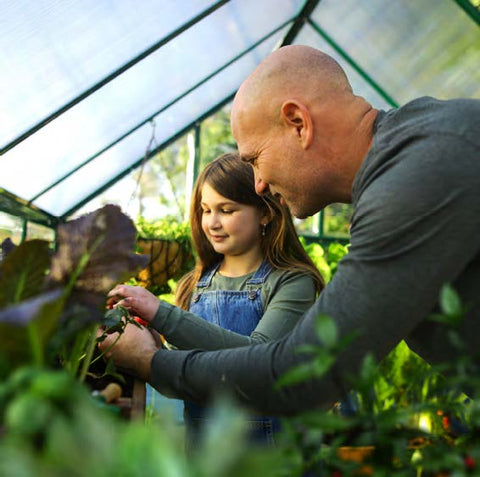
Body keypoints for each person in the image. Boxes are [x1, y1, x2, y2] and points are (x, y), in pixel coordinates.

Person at [99, 45, 480, 417]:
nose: (259, 183)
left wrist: (151, 362)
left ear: (298, 123)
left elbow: (304, 374)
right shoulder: (419, 149)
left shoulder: (414, 179)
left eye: (254, 159)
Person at [105, 152, 324, 447]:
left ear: (266, 212)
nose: (212, 223)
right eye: (206, 210)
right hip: (203, 455)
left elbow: (258, 359)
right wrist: (147, 340)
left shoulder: (291, 282)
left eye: (227, 209)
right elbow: (186, 375)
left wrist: (162, 314)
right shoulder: (193, 284)